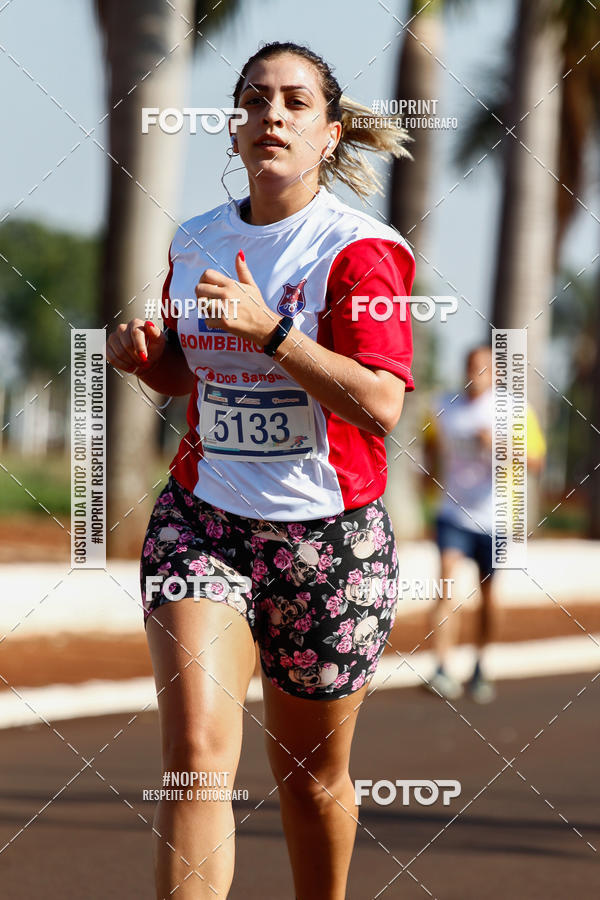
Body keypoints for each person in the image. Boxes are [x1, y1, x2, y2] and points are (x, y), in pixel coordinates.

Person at [106, 42, 416, 899]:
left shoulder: (361, 252)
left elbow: (381, 405)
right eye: (254, 100)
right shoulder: (197, 238)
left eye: (294, 102)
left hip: (327, 543)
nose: (271, 114)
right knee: (197, 757)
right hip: (202, 522)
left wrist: (271, 332)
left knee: (311, 782)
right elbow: (188, 374)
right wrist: (147, 357)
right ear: (235, 128)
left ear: (329, 133)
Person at [422, 345, 546, 703]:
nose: (475, 374)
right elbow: (430, 455)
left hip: (497, 518)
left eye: (482, 368)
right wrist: (426, 502)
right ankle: (443, 667)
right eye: (470, 366)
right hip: (452, 513)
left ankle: (481, 663)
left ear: (495, 373)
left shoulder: (515, 411)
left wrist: (499, 444)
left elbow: (537, 462)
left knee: (489, 595)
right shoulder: (444, 406)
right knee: (445, 582)